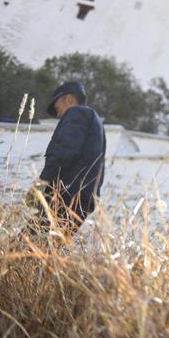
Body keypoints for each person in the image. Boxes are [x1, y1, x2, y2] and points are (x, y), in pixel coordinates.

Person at [29, 82, 107, 235]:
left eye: (57, 107)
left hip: (66, 196)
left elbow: (64, 152)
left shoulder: (76, 113)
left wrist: (39, 185)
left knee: (25, 246)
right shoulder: (95, 122)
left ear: (69, 99)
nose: (58, 115)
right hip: (82, 199)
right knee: (47, 250)